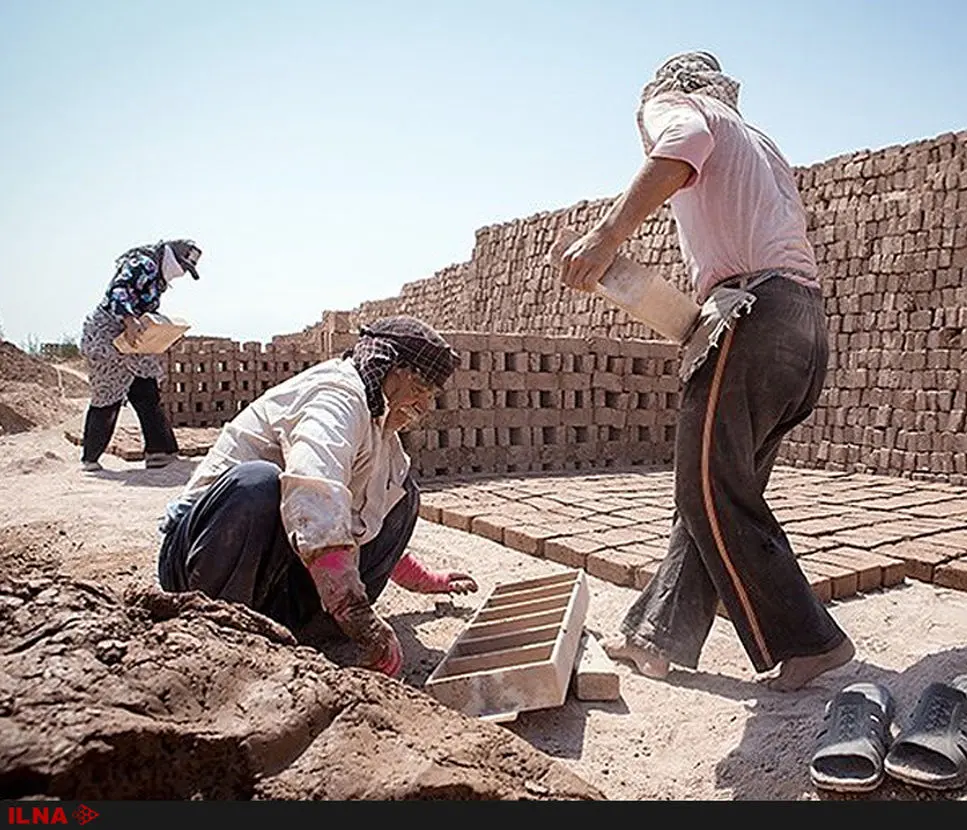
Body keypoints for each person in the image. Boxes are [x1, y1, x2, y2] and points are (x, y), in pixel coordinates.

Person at [557, 51, 854, 692]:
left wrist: (609, 236)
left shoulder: (681, 105)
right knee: (717, 490)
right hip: (801, 323)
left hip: (749, 314)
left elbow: (683, 140)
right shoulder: (759, 140)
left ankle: (810, 642)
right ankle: (655, 636)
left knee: (706, 488)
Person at [156, 315, 478, 678]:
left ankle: (306, 627)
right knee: (258, 483)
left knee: (404, 494)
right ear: (390, 367)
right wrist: (355, 613)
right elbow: (313, 490)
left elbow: (361, 519)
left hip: (273, 577)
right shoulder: (337, 396)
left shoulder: (381, 431)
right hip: (202, 559)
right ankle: (218, 627)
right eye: (419, 387)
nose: (422, 407)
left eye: (430, 396)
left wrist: (427, 580)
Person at [79, 239, 202, 471]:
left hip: (133, 340)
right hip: (109, 337)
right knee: (108, 396)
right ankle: (90, 458)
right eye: (183, 267)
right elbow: (119, 289)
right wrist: (128, 318)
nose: (183, 273)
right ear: (173, 258)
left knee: (146, 391)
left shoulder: (158, 277)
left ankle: (159, 452)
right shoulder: (143, 263)